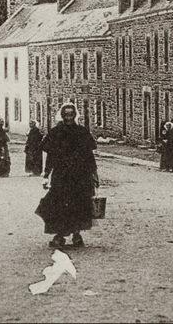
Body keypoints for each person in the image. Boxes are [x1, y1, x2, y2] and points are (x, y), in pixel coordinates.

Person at [36, 102, 98, 249]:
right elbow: (50, 156)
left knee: (79, 204)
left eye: (71, 114)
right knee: (58, 204)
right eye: (66, 114)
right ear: (62, 115)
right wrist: (46, 174)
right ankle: (59, 235)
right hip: (61, 175)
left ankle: (76, 235)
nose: (69, 117)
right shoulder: (56, 132)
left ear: (75, 115)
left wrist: (94, 174)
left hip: (80, 175)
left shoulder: (82, 132)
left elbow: (89, 156)